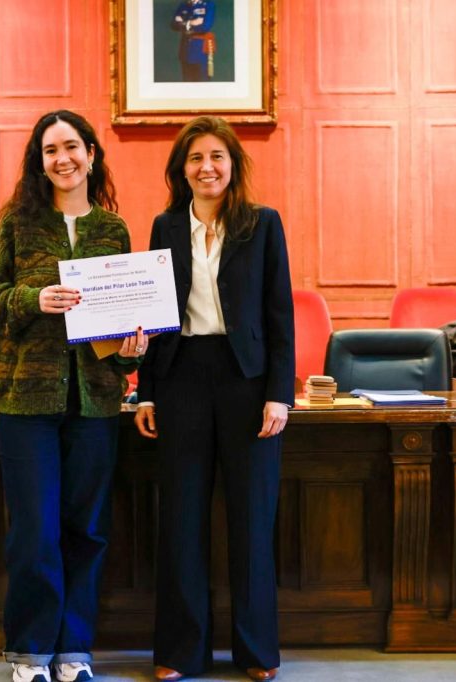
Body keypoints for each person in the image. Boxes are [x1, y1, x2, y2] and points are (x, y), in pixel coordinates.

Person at [0, 110, 147, 682]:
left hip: (95, 403)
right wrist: (33, 299)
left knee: (87, 531)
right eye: (50, 150)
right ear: (40, 162)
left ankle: (74, 649)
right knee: (35, 532)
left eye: (71, 147)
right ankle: (30, 652)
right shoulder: (19, 224)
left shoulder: (112, 230)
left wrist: (133, 347)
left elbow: (120, 329)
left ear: (91, 155)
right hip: (27, 402)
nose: (62, 158)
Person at [135, 116, 295, 681]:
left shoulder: (262, 223)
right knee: (182, 519)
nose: (207, 167)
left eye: (217, 157)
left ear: (233, 165)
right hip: (180, 378)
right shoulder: (165, 227)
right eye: (196, 158)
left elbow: (280, 314)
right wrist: (146, 394)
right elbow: (153, 317)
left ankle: (257, 651)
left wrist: (279, 394)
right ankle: (181, 651)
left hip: (246, 380)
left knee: (252, 519)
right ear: (182, 170)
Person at [171, 0, 216, 81]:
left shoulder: (208, 4)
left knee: (202, 81)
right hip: (185, 50)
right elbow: (173, 25)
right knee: (187, 81)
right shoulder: (183, 5)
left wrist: (182, 23)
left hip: (200, 51)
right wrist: (190, 23)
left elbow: (205, 27)